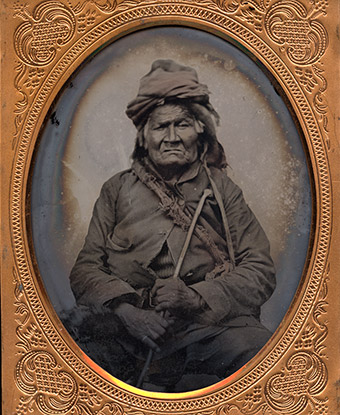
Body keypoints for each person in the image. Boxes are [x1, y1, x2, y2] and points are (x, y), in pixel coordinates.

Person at [68, 59, 276, 392]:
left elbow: (261, 270)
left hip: (205, 330)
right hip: (127, 333)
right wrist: (127, 312)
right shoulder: (116, 190)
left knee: (267, 359)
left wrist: (196, 298)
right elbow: (85, 269)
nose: (172, 137)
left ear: (200, 131)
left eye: (182, 124)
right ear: (143, 136)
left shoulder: (222, 190)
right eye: (160, 127)